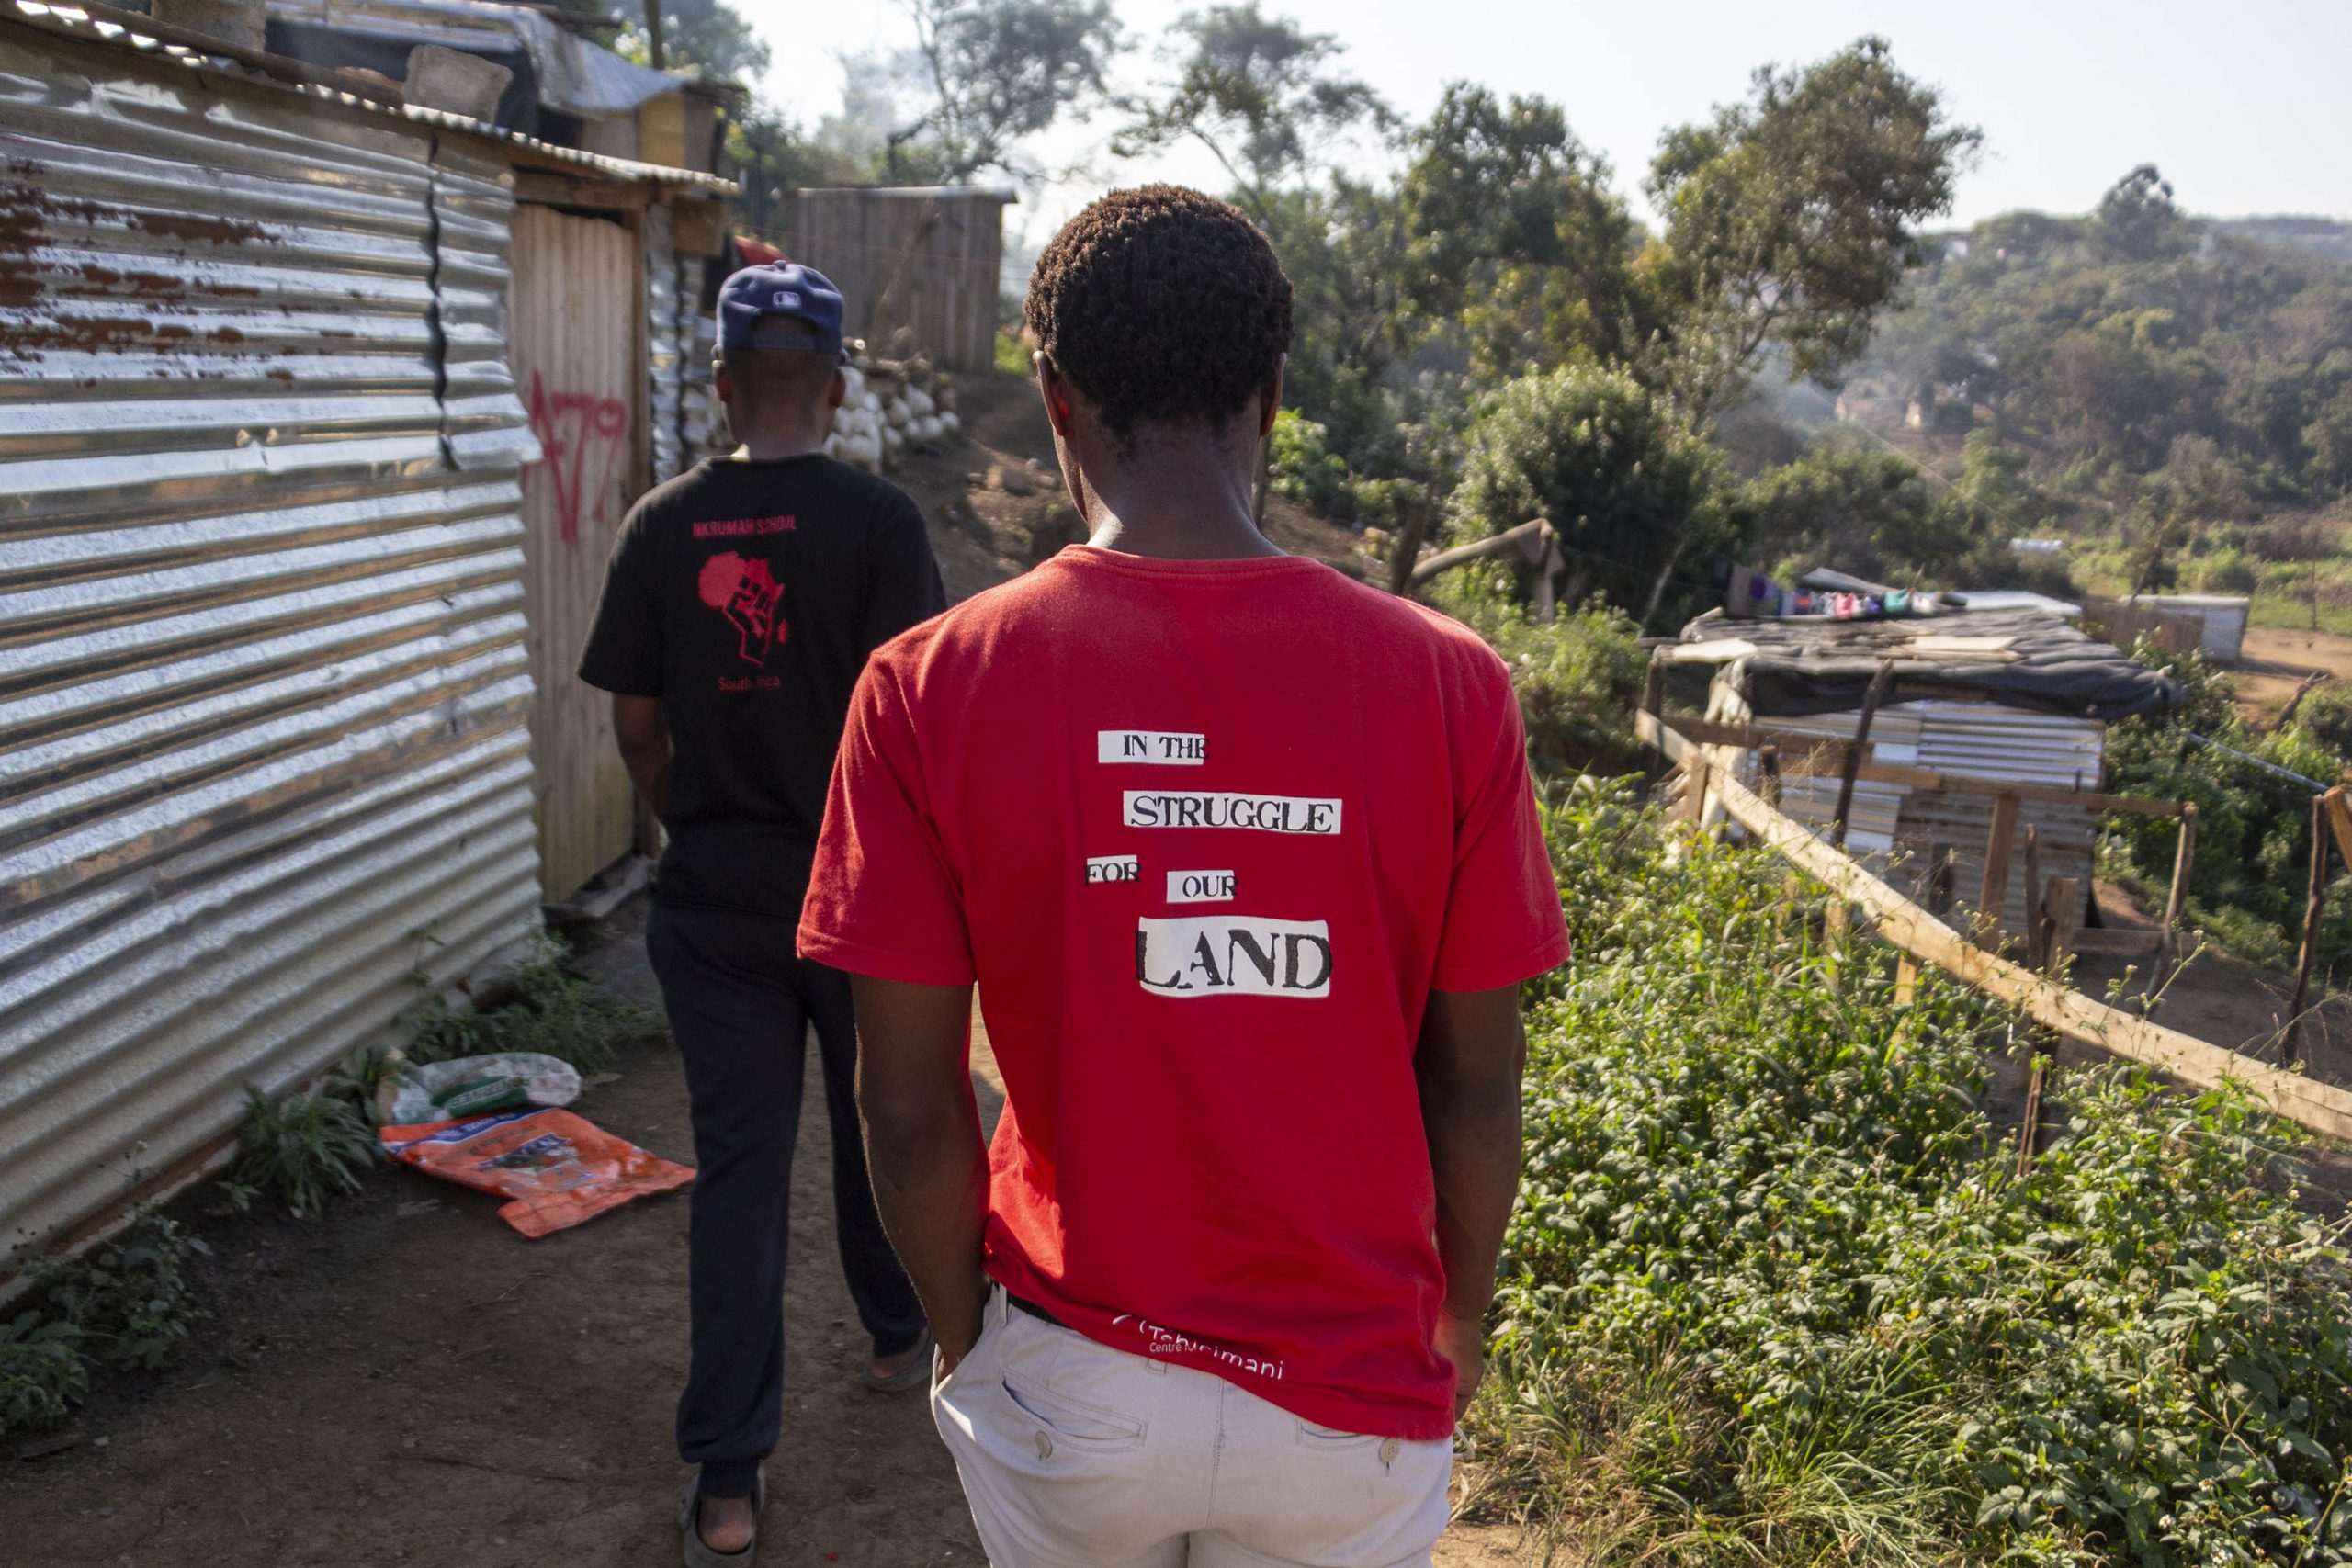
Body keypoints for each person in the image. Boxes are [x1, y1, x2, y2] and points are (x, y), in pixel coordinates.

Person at [798, 186, 1570, 1566]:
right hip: (1353, 1405)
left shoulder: (926, 688)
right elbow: (1474, 1082)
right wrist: (1459, 1324)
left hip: (1071, 1376)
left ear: (1052, 396)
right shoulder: (1451, 686)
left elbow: (906, 1103)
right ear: (1273, 396)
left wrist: (970, 1345)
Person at [577, 261, 945, 1568]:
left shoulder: (662, 524)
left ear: (723, 384)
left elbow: (633, 716)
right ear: (839, 392)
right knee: (880, 1119)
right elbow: (920, 719)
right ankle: (901, 1334)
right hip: (860, 893)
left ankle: (728, 1489)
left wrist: (691, 814)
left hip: (715, 897)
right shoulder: (879, 522)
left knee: (741, 1169)